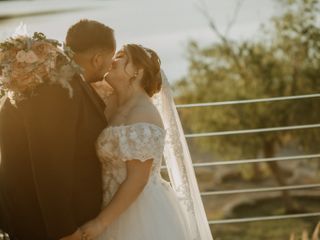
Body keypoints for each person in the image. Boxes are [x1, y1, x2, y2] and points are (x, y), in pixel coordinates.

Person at [63, 44, 196, 240]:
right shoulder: (111, 103)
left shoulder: (144, 113)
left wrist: (101, 223)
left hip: (138, 210)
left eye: (121, 56)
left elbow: (138, 180)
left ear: (137, 71)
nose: (112, 60)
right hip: (108, 203)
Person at [0, 19, 115, 240]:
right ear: (98, 58)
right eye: (110, 60)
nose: (109, 68)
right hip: (47, 226)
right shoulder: (58, 89)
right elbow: (49, 164)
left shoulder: (46, 77)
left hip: (33, 216)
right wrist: (65, 230)